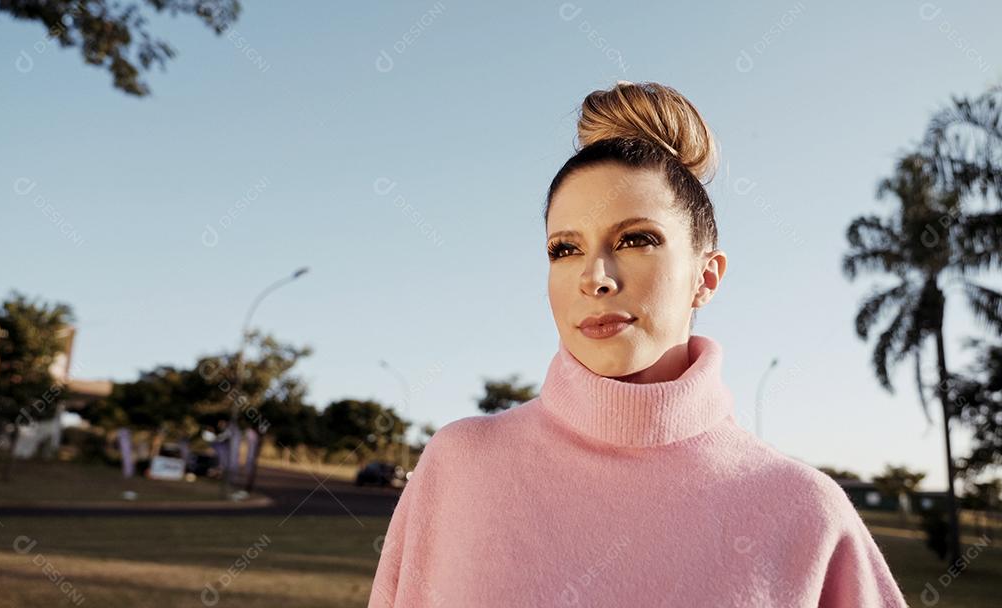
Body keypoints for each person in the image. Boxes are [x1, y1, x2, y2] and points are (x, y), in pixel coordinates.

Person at [368, 81, 910, 607]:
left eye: (635, 239)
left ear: (707, 275)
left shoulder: (806, 513)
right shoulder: (461, 466)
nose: (595, 277)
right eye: (564, 249)